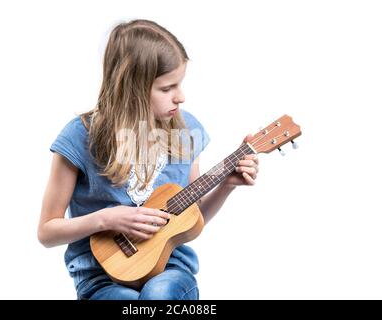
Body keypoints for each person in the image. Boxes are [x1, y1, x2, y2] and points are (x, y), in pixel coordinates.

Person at [38, 19, 259, 300]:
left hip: (170, 270)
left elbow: (193, 217)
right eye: (167, 88)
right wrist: (106, 219)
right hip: (100, 277)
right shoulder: (79, 136)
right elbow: (47, 232)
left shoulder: (185, 131)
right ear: (132, 88)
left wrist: (227, 185)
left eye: (179, 84)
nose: (180, 97)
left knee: (160, 294)